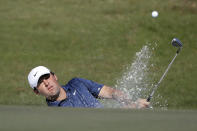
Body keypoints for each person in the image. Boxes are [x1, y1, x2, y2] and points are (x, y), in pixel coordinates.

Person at [28, 66, 150, 108]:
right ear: (36, 92)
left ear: (55, 76)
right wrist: (133, 108)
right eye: (40, 83)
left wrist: (128, 102)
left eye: (47, 77)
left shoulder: (77, 83)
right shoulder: (54, 115)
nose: (47, 83)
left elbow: (110, 92)